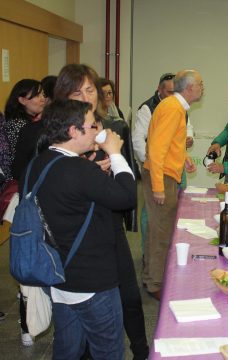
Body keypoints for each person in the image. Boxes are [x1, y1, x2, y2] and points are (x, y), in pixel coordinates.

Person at [53, 63, 149, 359]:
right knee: (84, 313)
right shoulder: (59, 133)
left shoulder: (111, 129)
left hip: (109, 223)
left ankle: (142, 350)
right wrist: (89, 173)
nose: (85, 96)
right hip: (77, 234)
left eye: (90, 89)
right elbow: (53, 175)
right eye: (76, 90)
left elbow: (129, 179)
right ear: (63, 96)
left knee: (130, 296)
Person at [28, 99, 135, 359]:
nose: (98, 129)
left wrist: (92, 172)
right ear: (73, 131)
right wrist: (116, 154)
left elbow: (68, 193)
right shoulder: (79, 170)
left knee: (67, 349)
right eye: (92, 125)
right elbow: (127, 196)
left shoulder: (40, 163)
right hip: (92, 280)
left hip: (59, 276)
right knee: (108, 350)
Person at [141, 69, 201, 299]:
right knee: (161, 232)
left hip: (166, 173)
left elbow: (169, 142)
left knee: (160, 229)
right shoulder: (173, 108)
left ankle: (151, 277)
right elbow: (156, 150)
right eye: (200, 84)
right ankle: (155, 284)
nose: (202, 88)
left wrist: (184, 158)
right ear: (188, 88)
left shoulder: (175, 107)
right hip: (161, 176)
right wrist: (158, 186)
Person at [1, 79, 45, 346]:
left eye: (43, 95)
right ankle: (27, 323)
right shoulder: (21, 127)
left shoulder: (31, 124)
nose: (42, 99)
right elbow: (15, 166)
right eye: (36, 95)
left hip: (25, 193)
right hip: (24, 195)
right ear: (21, 99)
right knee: (26, 253)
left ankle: (28, 318)